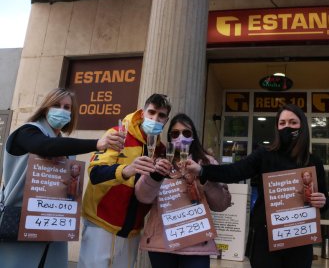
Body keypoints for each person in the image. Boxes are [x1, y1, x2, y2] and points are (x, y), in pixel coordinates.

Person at [185, 104, 329, 268]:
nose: (287, 127)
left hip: (299, 241)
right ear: (276, 127)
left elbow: (325, 203)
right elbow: (234, 171)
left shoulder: (313, 162)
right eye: (282, 123)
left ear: (302, 126)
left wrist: (322, 201)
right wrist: (203, 170)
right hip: (265, 240)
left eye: (292, 122)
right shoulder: (264, 155)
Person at [0, 88, 124, 268]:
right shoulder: (27, 132)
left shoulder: (67, 147)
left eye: (67, 107)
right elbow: (45, 146)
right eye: (56, 105)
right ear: (45, 108)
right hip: (19, 224)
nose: (62, 111)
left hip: (54, 228)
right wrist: (98, 143)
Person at [78, 93, 172, 268]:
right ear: (143, 113)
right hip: (101, 222)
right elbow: (96, 173)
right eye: (151, 112)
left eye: (161, 115)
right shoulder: (118, 133)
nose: (155, 118)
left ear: (166, 120)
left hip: (132, 229)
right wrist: (127, 170)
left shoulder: (162, 150)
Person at [135, 113, 231, 268]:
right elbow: (143, 197)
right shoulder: (159, 161)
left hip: (196, 243)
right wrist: (155, 176)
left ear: (193, 136)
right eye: (175, 133)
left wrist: (203, 175)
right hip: (162, 243)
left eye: (186, 133)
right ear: (170, 137)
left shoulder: (207, 162)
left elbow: (221, 204)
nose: (181, 137)